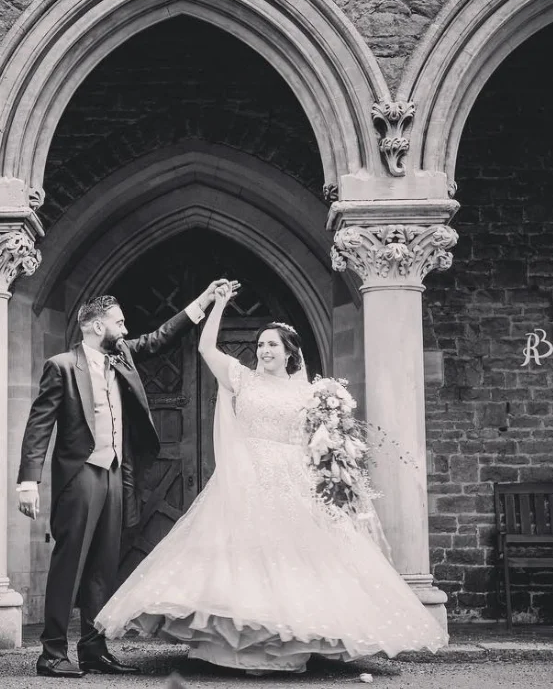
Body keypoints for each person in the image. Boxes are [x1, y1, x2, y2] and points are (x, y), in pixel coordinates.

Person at [93, 282, 448, 673]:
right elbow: (205, 349)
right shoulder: (241, 378)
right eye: (260, 344)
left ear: (289, 353)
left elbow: (323, 445)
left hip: (294, 483)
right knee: (240, 562)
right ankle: (234, 648)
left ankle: (293, 640)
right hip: (245, 479)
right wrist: (219, 305)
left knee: (295, 565)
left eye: (272, 344)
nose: (263, 350)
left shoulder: (312, 394)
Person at [16, 279, 238, 678]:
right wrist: (28, 481)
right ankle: (51, 653)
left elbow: (160, 338)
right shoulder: (63, 367)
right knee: (70, 563)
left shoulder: (122, 358)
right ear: (97, 326)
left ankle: (93, 650)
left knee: (104, 565)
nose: (126, 329)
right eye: (119, 323)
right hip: (80, 474)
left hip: (116, 472)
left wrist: (202, 300)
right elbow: (39, 426)